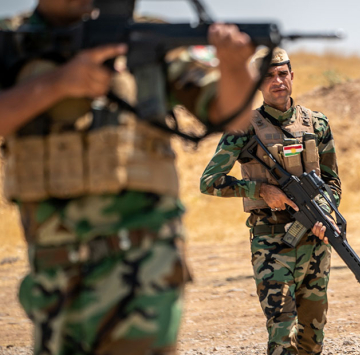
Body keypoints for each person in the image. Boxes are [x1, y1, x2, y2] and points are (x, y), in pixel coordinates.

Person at [0, 0, 256, 353]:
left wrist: (234, 67)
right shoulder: (11, 39)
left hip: (144, 268)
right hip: (52, 275)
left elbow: (233, 116)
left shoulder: (148, 37)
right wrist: (59, 83)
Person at [200, 47, 341, 355]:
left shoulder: (317, 124)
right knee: (282, 335)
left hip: (315, 242)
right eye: (269, 76)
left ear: (292, 76)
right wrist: (260, 190)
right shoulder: (242, 128)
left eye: (282, 74)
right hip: (271, 245)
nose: (278, 81)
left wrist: (327, 214)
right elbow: (209, 182)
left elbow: (332, 182)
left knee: (313, 338)